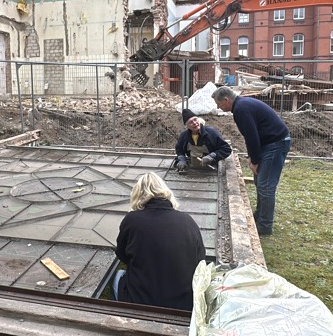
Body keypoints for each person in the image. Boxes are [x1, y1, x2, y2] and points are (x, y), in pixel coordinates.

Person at [113, 172, 205, 311]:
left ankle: (122, 314)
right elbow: (200, 261)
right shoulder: (187, 220)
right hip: (185, 306)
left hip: (140, 304)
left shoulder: (132, 220)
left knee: (119, 275)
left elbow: (121, 255)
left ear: (137, 195)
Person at [211, 86, 291, 236]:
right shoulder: (242, 105)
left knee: (265, 186)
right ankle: (260, 216)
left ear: (226, 100)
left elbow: (251, 136)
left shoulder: (241, 109)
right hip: (268, 143)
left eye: (218, 103)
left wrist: (254, 160)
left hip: (275, 143)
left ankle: (265, 225)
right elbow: (252, 135)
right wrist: (253, 157)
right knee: (260, 182)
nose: (218, 107)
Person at [175, 108, 232, 173]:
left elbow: (226, 149)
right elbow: (179, 149)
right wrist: (182, 159)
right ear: (187, 126)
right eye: (191, 122)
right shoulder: (184, 136)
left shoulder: (212, 133)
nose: (194, 123)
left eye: (195, 119)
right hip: (193, 170)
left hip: (211, 168)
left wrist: (212, 156)